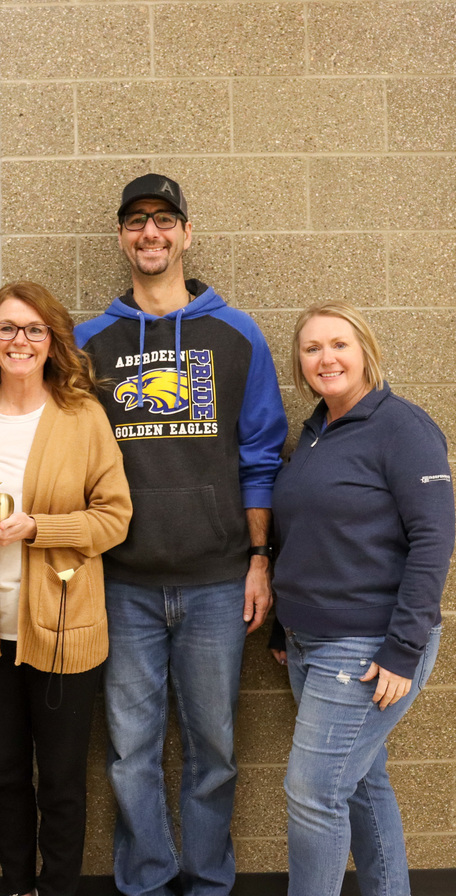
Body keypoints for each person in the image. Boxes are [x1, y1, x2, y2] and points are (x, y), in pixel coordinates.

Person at [74, 173, 288, 896]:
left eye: (165, 220)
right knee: (129, 752)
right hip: (123, 583)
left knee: (215, 751)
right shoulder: (89, 343)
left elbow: (260, 454)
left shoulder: (237, 334)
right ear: (122, 237)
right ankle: (145, 880)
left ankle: (206, 883)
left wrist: (259, 560)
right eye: (136, 221)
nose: (151, 233)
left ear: (187, 234)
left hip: (217, 582)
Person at [0, 281, 132, 896]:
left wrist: (38, 528)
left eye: (34, 330)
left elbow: (114, 518)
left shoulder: (82, 417)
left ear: (52, 342)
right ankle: (19, 885)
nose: (20, 340)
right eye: (7, 328)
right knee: (4, 775)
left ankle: (60, 889)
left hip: (65, 630)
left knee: (64, 782)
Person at [271, 301, 454, 896]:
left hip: (368, 646)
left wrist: (402, 650)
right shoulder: (314, 433)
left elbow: (434, 539)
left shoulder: (402, 425)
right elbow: (305, 537)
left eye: (339, 344)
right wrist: (284, 627)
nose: (326, 358)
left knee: (314, 793)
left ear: (365, 351)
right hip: (307, 644)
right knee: (362, 785)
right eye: (312, 349)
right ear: (300, 367)